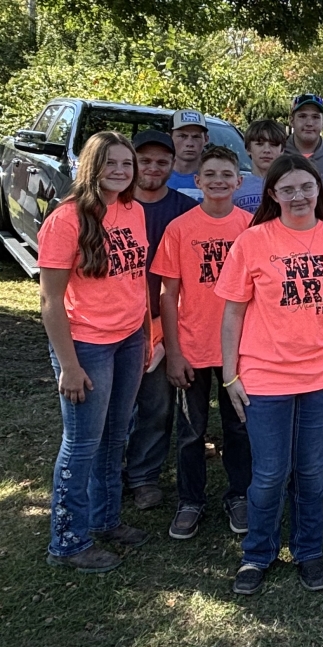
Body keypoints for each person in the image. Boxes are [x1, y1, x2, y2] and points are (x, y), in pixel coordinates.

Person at [215, 154, 323, 595]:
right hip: (264, 376)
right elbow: (232, 313)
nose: (298, 196)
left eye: (306, 187)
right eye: (288, 189)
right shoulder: (253, 241)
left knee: (310, 471)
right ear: (273, 195)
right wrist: (230, 374)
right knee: (268, 473)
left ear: (319, 190)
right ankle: (257, 554)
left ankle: (308, 550)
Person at [38, 131, 151, 572]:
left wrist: (146, 336)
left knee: (115, 435)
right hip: (87, 344)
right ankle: (67, 541)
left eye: (127, 163)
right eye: (111, 163)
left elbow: (136, 277)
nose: (121, 171)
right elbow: (49, 301)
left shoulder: (133, 210)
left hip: (129, 339)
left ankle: (106, 520)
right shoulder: (67, 220)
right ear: (92, 166)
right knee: (82, 442)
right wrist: (68, 365)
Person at [151, 146, 253, 541]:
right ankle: (190, 500)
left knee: (238, 428)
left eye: (226, 175)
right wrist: (173, 351)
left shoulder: (249, 227)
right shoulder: (181, 228)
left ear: (238, 181)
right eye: (210, 174)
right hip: (191, 345)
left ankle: (239, 495)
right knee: (192, 430)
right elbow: (166, 294)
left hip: (238, 350)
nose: (218, 181)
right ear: (197, 181)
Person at [123, 130, 198, 511]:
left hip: (162, 318)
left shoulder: (184, 210)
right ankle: (105, 474)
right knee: (111, 406)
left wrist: (171, 330)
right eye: (145, 160)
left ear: (174, 165)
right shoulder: (111, 206)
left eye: (161, 161)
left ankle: (143, 476)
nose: (153, 168)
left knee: (157, 405)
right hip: (112, 321)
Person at [284, 94, 323, 198]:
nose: (309, 123)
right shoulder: (276, 156)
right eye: (302, 116)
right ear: (291, 121)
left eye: (315, 117)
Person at [233, 119, 287, 214]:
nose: (266, 150)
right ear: (248, 149)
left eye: (273, 145)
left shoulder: (290, 185)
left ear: (282, 150)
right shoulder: (235, 186)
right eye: (260, 144)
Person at [166, 109, 208, 201]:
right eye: (182, 136)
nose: (189, 143)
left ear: (206, 139)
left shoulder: (218, 178)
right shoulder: (156, 176)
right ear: (169, 138)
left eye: (196, 137)